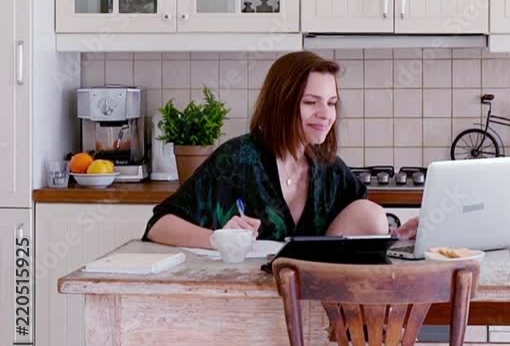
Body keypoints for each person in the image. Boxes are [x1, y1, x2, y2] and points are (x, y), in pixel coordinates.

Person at [144, 50, 417, 246]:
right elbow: (159, 226)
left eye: (331, 103)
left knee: (371, 212)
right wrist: (219, 238)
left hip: (316, 307)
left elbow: (364, 233)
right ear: (281, 104)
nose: (326, 114)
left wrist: (398, 237)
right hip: (248, 305)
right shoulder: (237, 161)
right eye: (311, 102)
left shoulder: (331, 171)